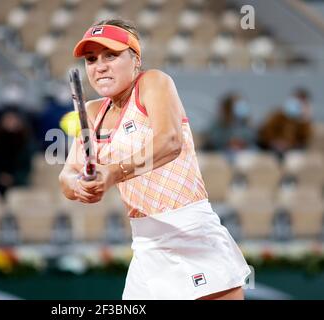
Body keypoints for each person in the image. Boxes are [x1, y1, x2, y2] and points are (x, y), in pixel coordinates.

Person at [59, 19, 251, 300]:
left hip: (191, 234)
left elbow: (170, 142)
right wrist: (81, 187)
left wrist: (113, 172)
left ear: (135, 59)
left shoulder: (153, 82)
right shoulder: (91, 111)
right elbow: (67, 176)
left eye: (111, 55)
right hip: (146, 245)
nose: (99, 66)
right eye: (91, 59)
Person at [0, 110, 36, 196]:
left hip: (18, 183)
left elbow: (25, 168)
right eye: (7, 120)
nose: (10, 123)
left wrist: (13, 179)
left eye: (12, 120)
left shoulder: (24, 145)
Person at [258, 88, 312, 159]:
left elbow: (304, 139)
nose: (297, 104)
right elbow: (265, 132)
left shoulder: (302, 122)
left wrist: (305, 119)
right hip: (272, 148)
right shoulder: (277, 115)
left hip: (291, 151)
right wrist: (275, 142)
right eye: (296, 100)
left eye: (301, 102)